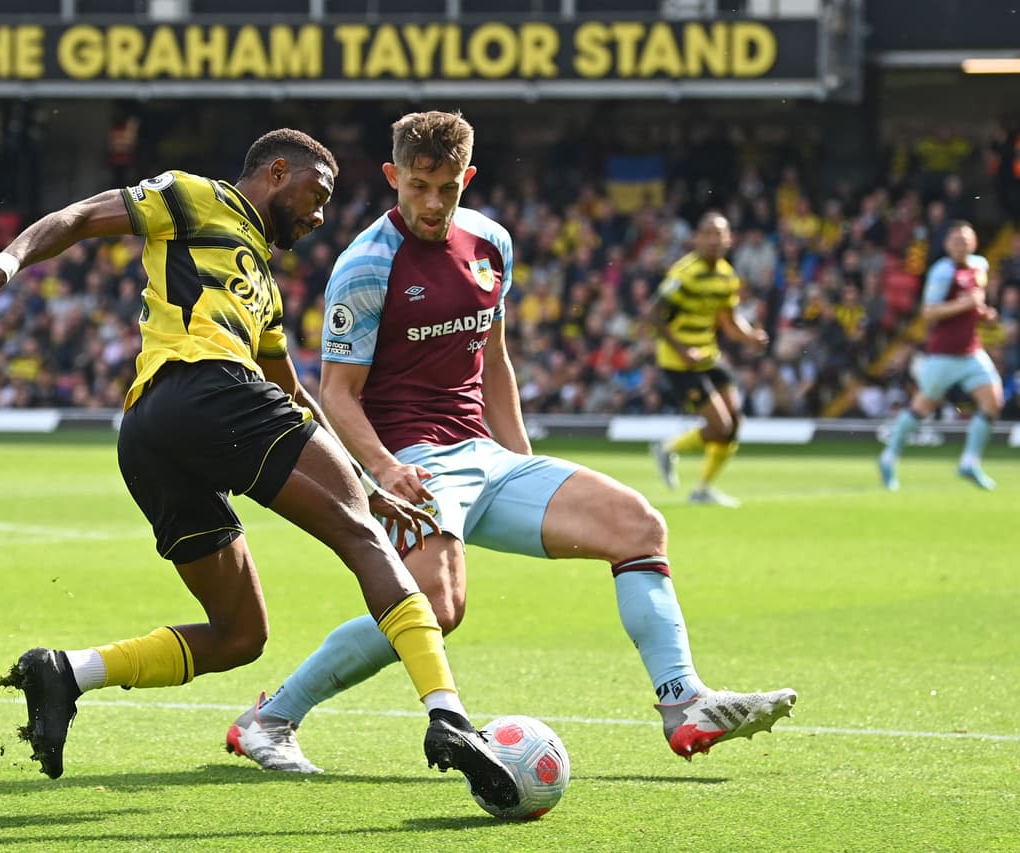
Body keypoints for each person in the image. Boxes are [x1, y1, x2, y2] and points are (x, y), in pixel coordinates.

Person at [0, 128, 520, 811]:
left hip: (153, 436)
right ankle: (447, 714)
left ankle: (67, 672)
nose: (320, 214)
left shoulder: (262, 285)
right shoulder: (196, 197)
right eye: (318, 194)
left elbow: (292, 395)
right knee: (363, 539)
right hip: (205, 387)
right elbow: (80, 216)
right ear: (277, 172)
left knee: (241, 635)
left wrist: (365, 480)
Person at [224, 112, 796, 775]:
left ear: (467, 178)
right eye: (417, 187)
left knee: (638, 525)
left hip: (487, 457)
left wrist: (523, 462)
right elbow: (338, 393)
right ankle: (271, 717)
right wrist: (381, 470)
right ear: (392, 177)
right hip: (414, 463)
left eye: (447, 188)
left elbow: (493, 359)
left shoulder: (491, 242)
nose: (432, 204)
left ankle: (684, 702)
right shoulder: (365, 265)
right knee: (437, 608)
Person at [649, 212, 769, 507]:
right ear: (697, 238)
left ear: (729, 239)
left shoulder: (727, 275)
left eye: (720, 234)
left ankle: (703, 489)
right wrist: (682, 350)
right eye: (708, 234)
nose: (714, 240)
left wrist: (750, 337)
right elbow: (653, 315)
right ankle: (668, 448)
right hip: (679, 362)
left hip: (707, 355)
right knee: (720, 426)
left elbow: (729, 320)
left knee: (734, 424)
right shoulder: (685, 273)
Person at [879, 221, 1001, 491]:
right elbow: (929, 312)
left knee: (993, 401)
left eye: (965, 241)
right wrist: (964, 304)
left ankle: (970, 461)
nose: (961, 246)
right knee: (921, 408)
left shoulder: (979, 265)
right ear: (947, 245)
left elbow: (975, 304)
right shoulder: (942, 272)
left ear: (974, 243)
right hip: (943, 354)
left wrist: (984, 314)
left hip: (971, 351)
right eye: (956, 241)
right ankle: (888, 457)